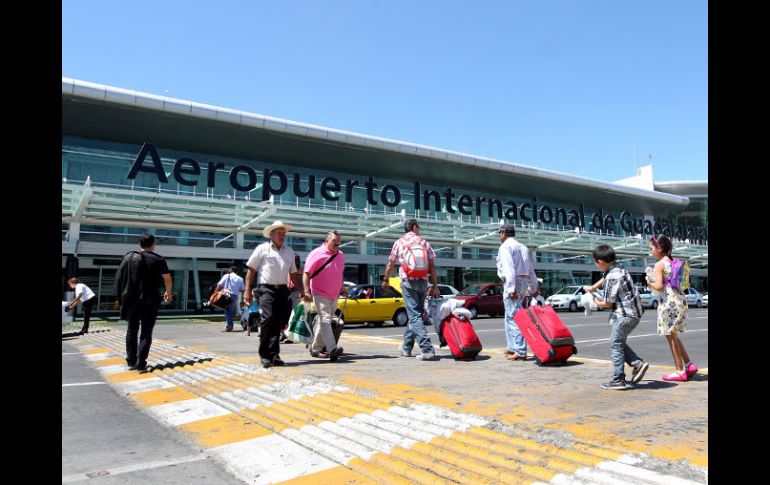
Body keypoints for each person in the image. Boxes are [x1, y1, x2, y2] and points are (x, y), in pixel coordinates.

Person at [590, 244, 649, 390]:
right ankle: (637, 364)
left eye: (596, 263)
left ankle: (618, 379)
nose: (597, 266)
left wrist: (594, 301)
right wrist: (593, 288)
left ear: (601, 262)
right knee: (618, 342)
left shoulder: (612, 276)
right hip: (634, 313)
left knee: (615, 344)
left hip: (624, 315)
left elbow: (608, 303)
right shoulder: (619, 267)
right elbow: (604, 278)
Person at [382, 219, 440, 361]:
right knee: (416, 315)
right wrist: (435, 285)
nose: (419, 229)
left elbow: (391, 263)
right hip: (423, 283)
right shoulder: (424, 242)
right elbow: (432, 266)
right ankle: (406, 347)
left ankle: (427, 349)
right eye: (418, 227)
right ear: (414, 227)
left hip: (408, 282)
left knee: (414, 316)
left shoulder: (400, 242)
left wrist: (386, 280)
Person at [114, 233, 172, 372]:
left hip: (132, 299)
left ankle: (130, 361)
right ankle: (141, 363)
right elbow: (167, 278)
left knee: (131, 330)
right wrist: (168, 292)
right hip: (151, 300)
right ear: (153, 245)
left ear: (139, 244)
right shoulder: (158, 259)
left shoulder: (129, 258)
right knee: (146, 332)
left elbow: (120, 279)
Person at [243, 221, 297, 368]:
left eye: (283, 233)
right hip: (266, 289)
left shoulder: (289, 252)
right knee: (267, 319)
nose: (282, 236)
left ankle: (274, 355)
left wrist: (300, 291)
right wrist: (247, 290)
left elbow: (293, 273)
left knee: (278, 322)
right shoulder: (262, 249)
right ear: (271, 235)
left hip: (282, 290)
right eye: (279, 233)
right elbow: (251, 270)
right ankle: (264, 354)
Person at [646, 234, 697, 381]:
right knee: (673, 334)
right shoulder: (674, 261)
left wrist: (649, 282)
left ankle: (679, 370)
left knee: (670, 336)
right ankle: (688, 364)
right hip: (680, 300)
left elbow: (659, 286)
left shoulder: (660, 264)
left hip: (668, 302)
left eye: (652, 249)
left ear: (660, 248)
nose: (651, 252)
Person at [302, 230, 348, 361]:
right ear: (327, 241)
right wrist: (306, 291)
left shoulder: (340, 255)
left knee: (324, 322)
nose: (337, 244)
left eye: (339, 242)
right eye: (334, 241)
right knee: (326, 320)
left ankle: (315, 349)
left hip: (334, 294)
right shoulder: (316, 253)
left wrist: (342, 287)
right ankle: (332, 348)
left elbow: (339, 273)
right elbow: (307, 273)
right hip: (319, 293)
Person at [497, 224, 538, 361]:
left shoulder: (505, 247)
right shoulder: (523, 247)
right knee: (510, 315)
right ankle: (512, 347)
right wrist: (534, 287)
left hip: (513, 281)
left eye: (499, 233)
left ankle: (520, 351)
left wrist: (510, 288)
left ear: (504, 233)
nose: (499, 236)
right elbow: (530, 269)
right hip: (523, 281)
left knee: (514, 316)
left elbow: (509, 268)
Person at [216, 266, 245, 332]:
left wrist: (216, 292)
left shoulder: (226, 276)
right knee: (229, 310)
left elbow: (219, 285)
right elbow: (242, 290)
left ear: (230, 270)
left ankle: (229, 326)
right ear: (237, 272)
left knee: (227, 310)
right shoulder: (240, 279)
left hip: (226, 294)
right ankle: (229, 325)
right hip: (234, 296)